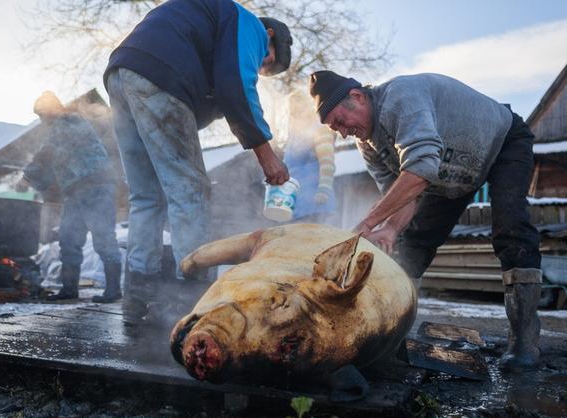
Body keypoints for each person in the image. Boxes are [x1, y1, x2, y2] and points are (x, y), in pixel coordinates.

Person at [309, 70, 542, 370]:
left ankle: (524, 341)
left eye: (340, 121)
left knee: (511, 228)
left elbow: (419, 171)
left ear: (356, 97)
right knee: (413, 244)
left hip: (502, 142)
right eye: (334, 129)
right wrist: (390, 229)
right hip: (450, 172)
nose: (342, 132)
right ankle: (391, 334)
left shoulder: (400, 97)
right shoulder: (367, 145)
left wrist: (368, 223)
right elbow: (404, 194)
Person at [103, 0, 292, 324]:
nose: (261, 69)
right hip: (159, 75)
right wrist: (267, 156)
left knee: (147, 196)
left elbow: (205, 103)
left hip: (121, 74)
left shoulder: (206, 27)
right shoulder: (247, 23)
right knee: (190, 187)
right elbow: (237, 86)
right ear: (270, 34)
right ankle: (192, 294)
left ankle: (138, 293)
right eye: (268, 61)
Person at [23, 91, 122, 303]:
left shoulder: (71, 122)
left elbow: (49, 152)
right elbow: (53, 164)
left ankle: (114, 290)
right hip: (75, 191)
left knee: (104, 238)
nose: (42, 121)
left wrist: (27, 177)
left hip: (96, 187)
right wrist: (36, 182)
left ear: (51, 111)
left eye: (42, 115)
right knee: (68, 238)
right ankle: (70, 289)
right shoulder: (59, 130)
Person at [283, 90, 337, 224]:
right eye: (292, 110)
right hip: (295, 208)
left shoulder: (319, 129)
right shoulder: (293, 138)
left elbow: (327, 163)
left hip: (316, 206)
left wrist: (323, 190)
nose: (295, 113)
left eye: (298, 108)